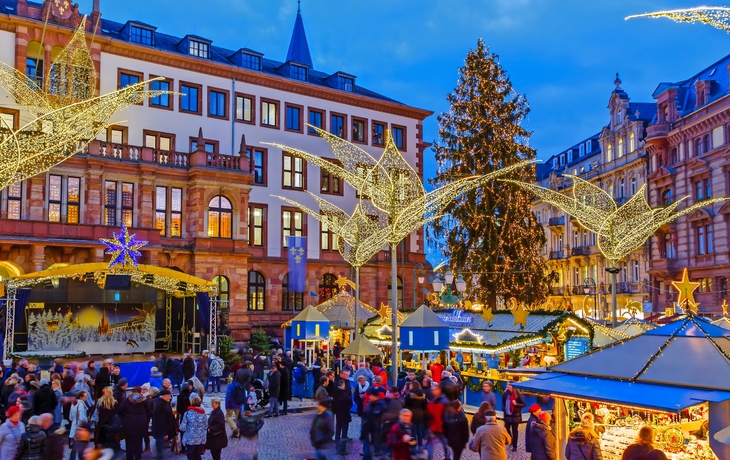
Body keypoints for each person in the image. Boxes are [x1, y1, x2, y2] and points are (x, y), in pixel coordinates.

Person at [119, 387, 150, 460]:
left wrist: (124, 418)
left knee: (129, 442)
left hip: (129, 422)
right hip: (141, 423)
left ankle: (129, 457)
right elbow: (148, 411)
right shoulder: (143, 400)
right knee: (139, 442)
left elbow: (120, 411)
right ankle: (138, 457)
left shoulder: (127, 400)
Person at [178, 394, 207, 460]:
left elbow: (182, 427)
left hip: (190, 439)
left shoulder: (187, 413)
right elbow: (206, 426)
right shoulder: (203, 413)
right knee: (198, 456)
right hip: (200, 439)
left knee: (191, 456)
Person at [426, 384, 450, 460]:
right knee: (430, 444)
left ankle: (447, 457)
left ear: (439, 390)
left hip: (441, 426)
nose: (433, 391)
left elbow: (447, 415)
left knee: (445, 444)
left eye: (434, 390)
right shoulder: (431, 400)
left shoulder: (444, 401)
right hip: (432, 426)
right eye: (432, 390)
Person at [361, 388, 386, 460]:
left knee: (376, 439)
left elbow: (376, 413)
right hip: (368, 426)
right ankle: (367, 453)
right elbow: (366, 413)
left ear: (376, 396)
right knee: (367, 441)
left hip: (376, 426)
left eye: (372, 396)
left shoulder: (380, 404)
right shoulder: (369, 404)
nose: (370, 397)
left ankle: (376, 451)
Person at [152, 389, 177, 460]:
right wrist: (165, 432)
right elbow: (162, 420)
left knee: (159, 440)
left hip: (161, 428)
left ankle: (159, 455)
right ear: (163, 396)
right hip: (161, 428)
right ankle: (159, 455)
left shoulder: (163, 403)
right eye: (168, 396)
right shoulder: (161, 405)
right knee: (159, 440)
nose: (170, 397)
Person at [501, 382, 525, 452]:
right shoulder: (505, 393)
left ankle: (515, 446)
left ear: (512, 386)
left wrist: (516, 404)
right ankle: (510, 439)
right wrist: (504, 409)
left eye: (508, 384)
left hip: (515, 416)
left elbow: (523, 404)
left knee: (515, 431)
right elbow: (503, 403)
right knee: (506, 428)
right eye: (507, 384)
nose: (507, 386)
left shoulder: (518, 394)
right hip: (507, 415)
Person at [95, 387, 120, 451]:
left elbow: (98, 413)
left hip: (102, 423)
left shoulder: (100, 402)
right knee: (112, 440)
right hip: (112, 423)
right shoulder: (114, 402)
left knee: (102, 440)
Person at [332, 379, 352, 455]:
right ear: (343, 385)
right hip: (345, 415)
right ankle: (343, 449)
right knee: (344, 432)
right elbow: (350, 404)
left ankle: (337, 447)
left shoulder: (335, 393)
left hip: (338, 415)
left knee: (338, 431)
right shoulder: (345, 394)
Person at [404, 380, 427, 446]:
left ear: (414, 386)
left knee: (413, 432)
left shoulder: (410, 396)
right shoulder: (423, 395)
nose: (410, 386)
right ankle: (420, 445)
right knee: (419, 431)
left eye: (411, 385)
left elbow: (406, 406)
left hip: (412, 414)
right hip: (420, 414)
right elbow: (425, 406)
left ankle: (413, 446)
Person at [176, 383, 191, 454]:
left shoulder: (180, 396)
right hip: (191, 415)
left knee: (182, 431)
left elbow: (178, 408)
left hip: (183, 415)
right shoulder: (191, 395)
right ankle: (190, 446)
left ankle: (183, 447)